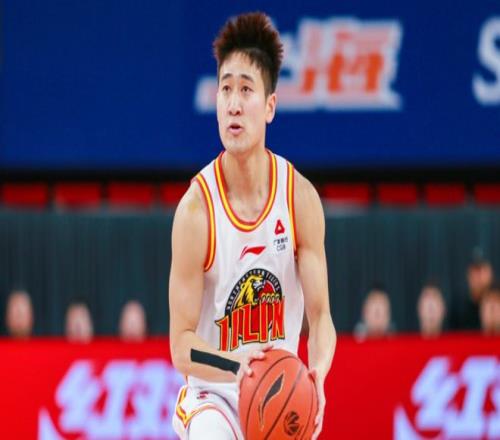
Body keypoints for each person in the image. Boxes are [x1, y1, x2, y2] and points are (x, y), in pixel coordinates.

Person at [168, 12, 336, 440]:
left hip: (278, 397)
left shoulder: (299, 198)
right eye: (225, 89)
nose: (233, 104)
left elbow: (320, 317)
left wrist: (316, 374)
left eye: (246, 89)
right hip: (215, 396)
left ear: (270, 106)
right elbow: (180, 345)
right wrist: (236, 366)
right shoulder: (196, 210)